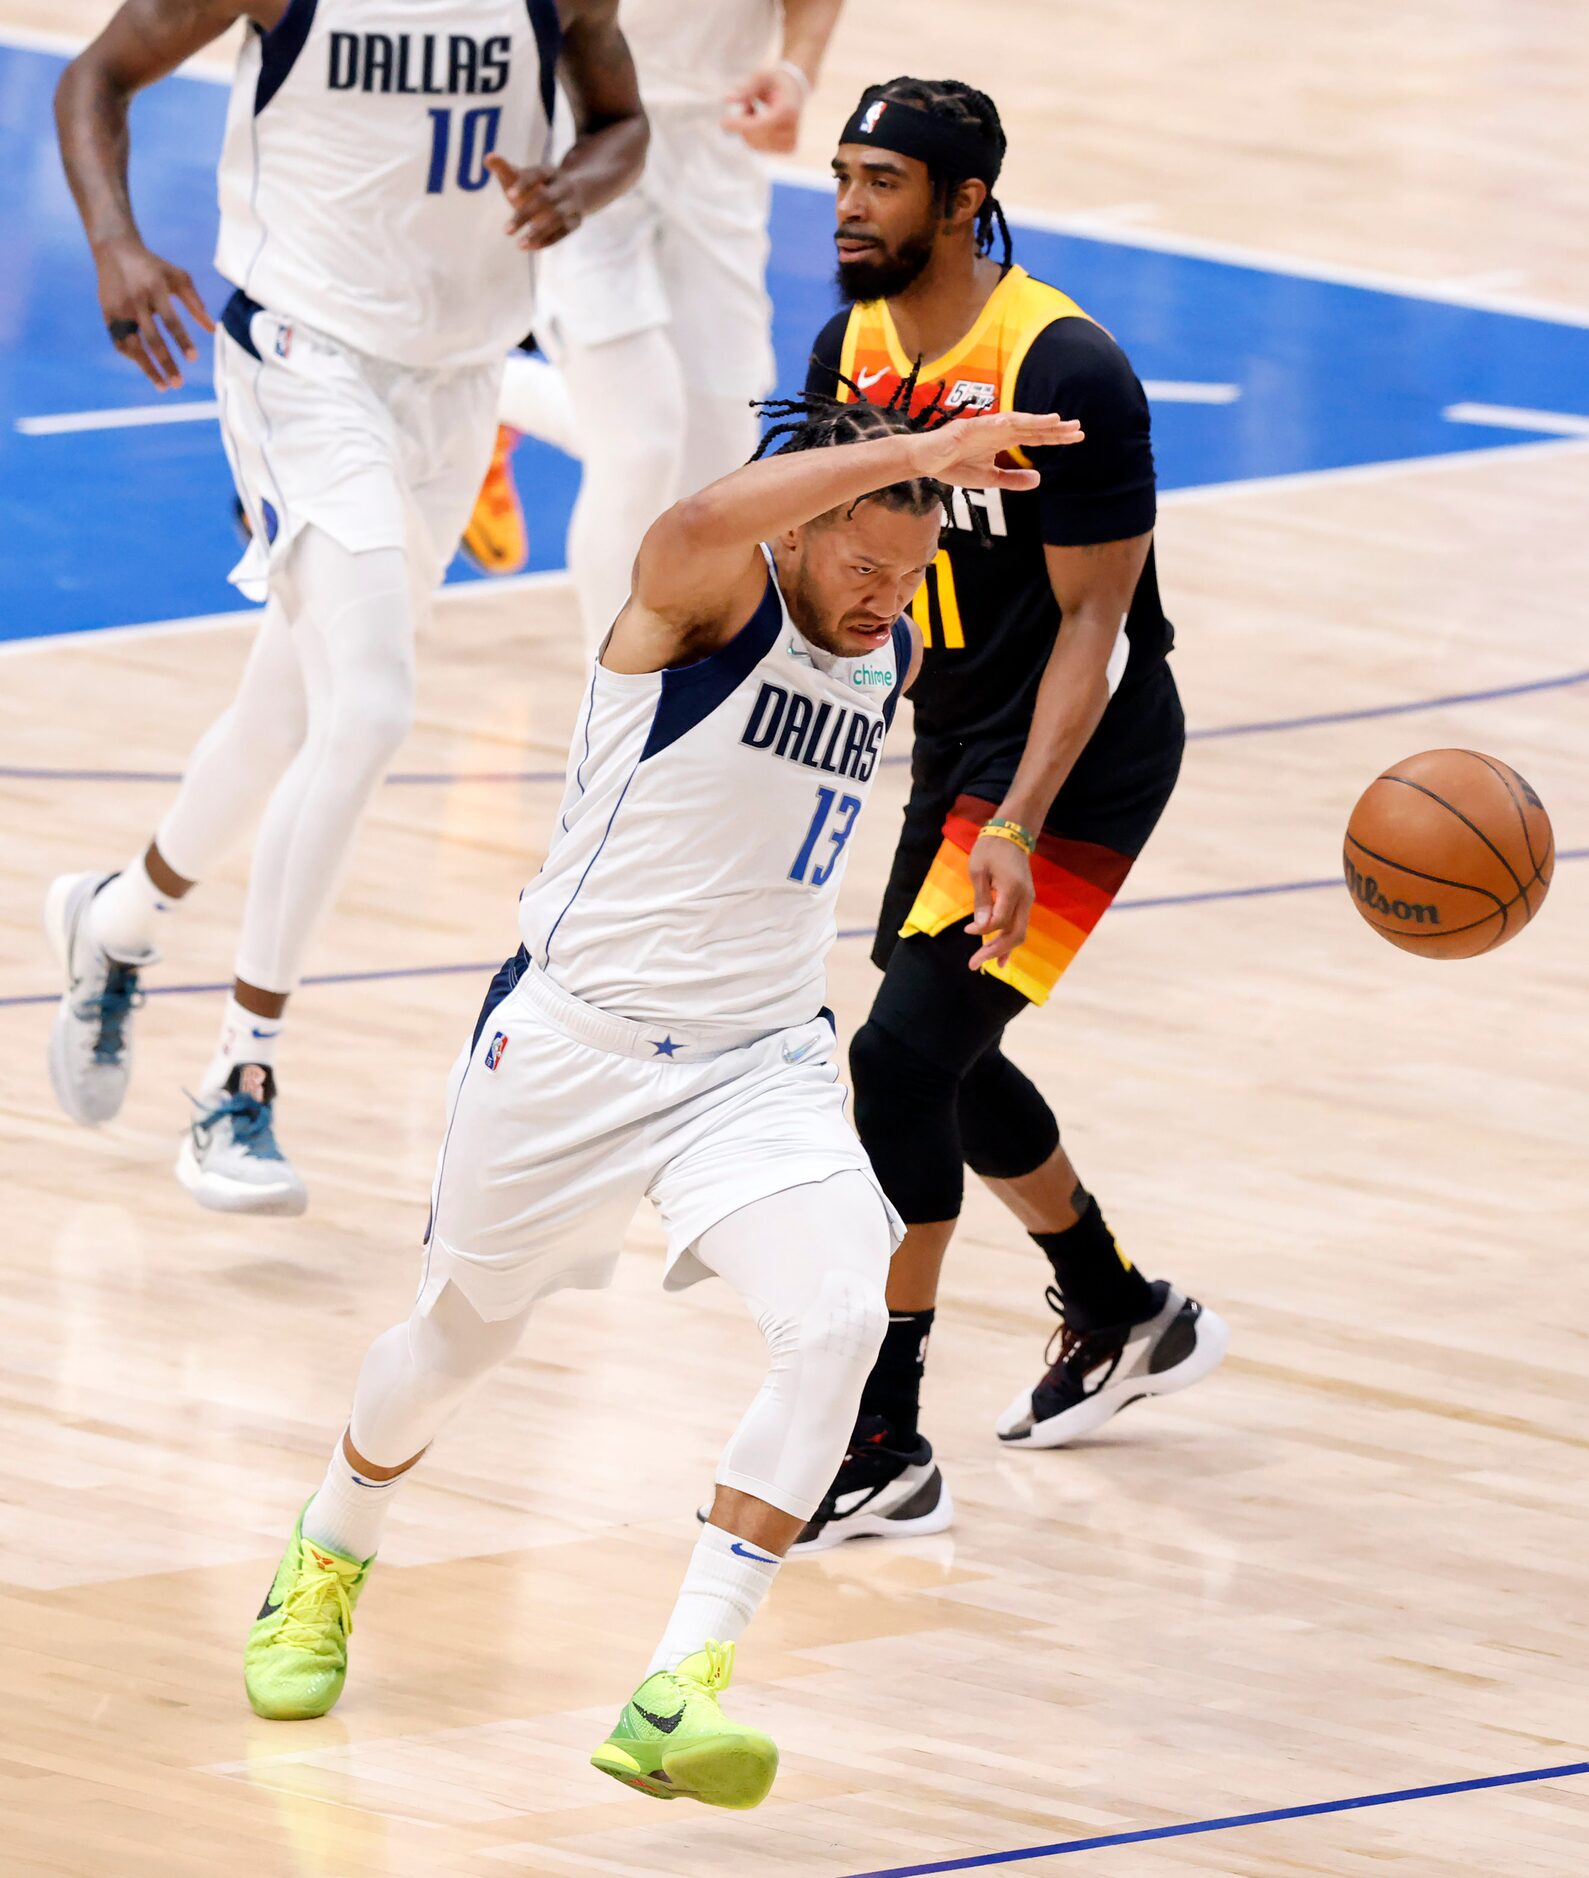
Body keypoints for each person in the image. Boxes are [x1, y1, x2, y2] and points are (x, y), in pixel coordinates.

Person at [240, 390, 1081, 1810]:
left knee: (838, 1319)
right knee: (455, 1343)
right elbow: (693, 519)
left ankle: (678, 1683)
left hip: (752, 1065)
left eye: (908, 567)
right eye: (862, 561)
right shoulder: (700, 608)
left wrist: (1001, 831)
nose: (886, 594)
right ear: (798, 530)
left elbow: (980, 705)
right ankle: (328, 1548)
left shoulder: (896, 646)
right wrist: (920, 454)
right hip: (571, 1045)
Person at [45, 0, 646, 1214]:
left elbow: (624, 124)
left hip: (459, 375)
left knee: (289, 708)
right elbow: (96, 77)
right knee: (369, 710)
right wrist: (116, 243)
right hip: (304, 359)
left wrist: (575, 186)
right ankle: (240, 1075)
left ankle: (117, 916)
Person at [792, 76, 1230, 1552]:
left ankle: (882, 1436)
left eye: (885, 181)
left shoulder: (1068, 367)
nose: (850, 204)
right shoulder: (849, 345)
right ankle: (1118, 1308)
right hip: (958, 734)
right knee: (949, 1055)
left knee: (900, 1062)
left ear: (965, 201)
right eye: (845, 175)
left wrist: (1018, 821)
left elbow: (1095, 630)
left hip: (1082, 748)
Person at [460, 0, 846, 642]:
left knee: (718, 461)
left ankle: (496, 394)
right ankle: (609, 712)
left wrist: (797, 73)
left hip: (717, 137)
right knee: (640, 447)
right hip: (582, 136)